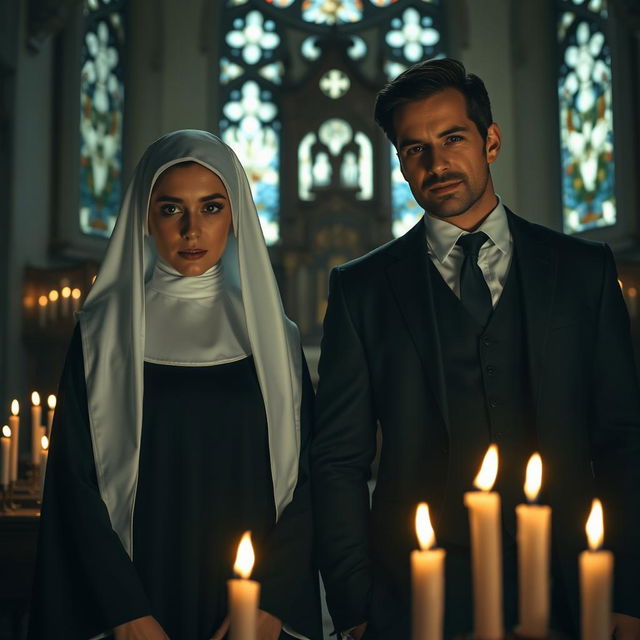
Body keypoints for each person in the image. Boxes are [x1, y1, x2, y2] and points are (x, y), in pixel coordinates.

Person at [311, 58, 640, 639]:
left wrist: (629, 592)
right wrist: (356, 605)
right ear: (400, 163)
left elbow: (623, 441)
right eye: (415, 149)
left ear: (490, 141)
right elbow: (338, 460)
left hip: (572, 584)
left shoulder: (584, 271)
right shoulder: (359, 289)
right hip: (413, 593)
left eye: (452, 138)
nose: (436, 163)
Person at [28, 130, 322, 640]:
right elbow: (74, 484)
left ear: (236, 218)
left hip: (250, 606)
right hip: (135, 595)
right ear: (144, 216)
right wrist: (125, 612)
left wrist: (271, 601)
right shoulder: (100, 338)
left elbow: (312, 479)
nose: (191, 229)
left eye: (211, 208)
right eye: (170, 209)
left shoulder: (275, 339)